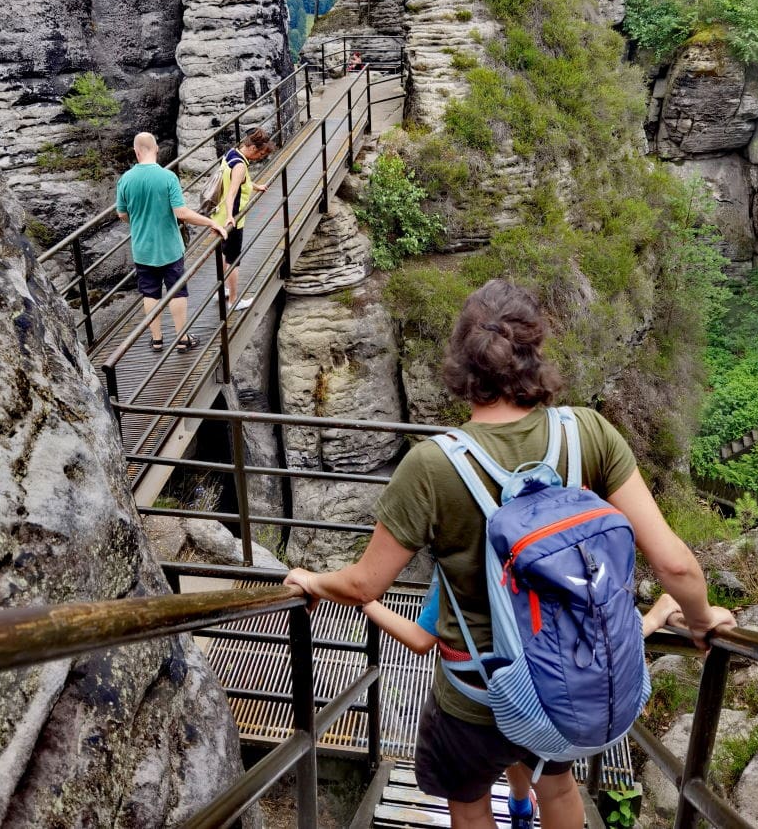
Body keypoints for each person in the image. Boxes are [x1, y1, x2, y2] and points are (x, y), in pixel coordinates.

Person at [284, 279, 735, 829]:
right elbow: (676, 564)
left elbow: (363, 586)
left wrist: (311, 579)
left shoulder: (430, 466)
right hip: (560, 683)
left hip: (475, 695)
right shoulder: (587, 433)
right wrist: (698, 617)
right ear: (533, 355)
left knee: (470, 803)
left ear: (460, 366)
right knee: (560, 788)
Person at [362, 582, 683, 829]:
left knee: (473, 799)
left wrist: (365, 601)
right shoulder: (554, 544)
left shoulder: (460, 551)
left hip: (477, 696)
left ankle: (519, 805)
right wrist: (656, 616)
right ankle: (519, 805)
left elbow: (420, 639)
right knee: (552, 783)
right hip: (551, 689)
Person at [116, 132, 226, 352]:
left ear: (136, 151)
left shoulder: (125, 179)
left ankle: (157, 340)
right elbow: (182, 212)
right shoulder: (168, 178)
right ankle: (182, 338)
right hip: (169, 248)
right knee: (177, 291)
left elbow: (122, 214)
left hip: (143, 248)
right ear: (156, 149)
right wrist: (211, 223)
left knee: (150, 293)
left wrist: (138, 221)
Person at [211, 127, 275, 312]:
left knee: (226, 254)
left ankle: (221, 289)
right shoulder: (240, 165)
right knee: (234, 259)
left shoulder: (232, 154)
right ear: (254, 149)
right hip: (232, 219)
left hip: (220, 214)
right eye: (261, 153)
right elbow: (232, 193)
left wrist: (256, 186)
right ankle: (233, 300)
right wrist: (232, 217)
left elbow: (238, 181)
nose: (261, 157)